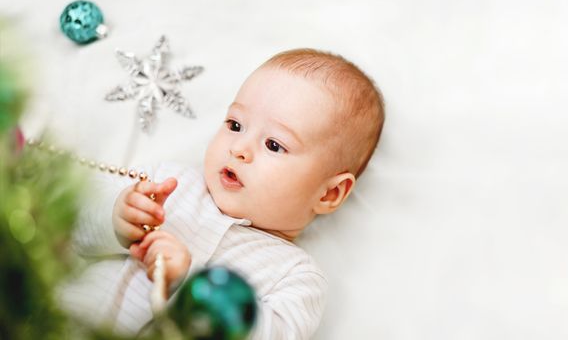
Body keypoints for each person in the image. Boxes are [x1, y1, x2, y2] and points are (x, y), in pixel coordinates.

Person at [60, 48, 385, 339]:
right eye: (235, 124)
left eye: (274, 145)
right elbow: (68, 230)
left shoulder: (295, 277)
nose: (239, 148)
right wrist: (116, 220)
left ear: (329, 194)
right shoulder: (166, 184)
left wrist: (188, 286)